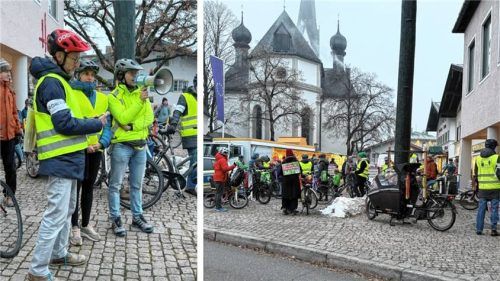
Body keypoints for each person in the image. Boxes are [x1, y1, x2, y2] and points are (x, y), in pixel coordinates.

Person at [27, 29, 105, 281]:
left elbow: (69, 119)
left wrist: (89, 120)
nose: (77, 63)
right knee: (55, 214)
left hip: (71, 157)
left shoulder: (60, 81)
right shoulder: (52, 82)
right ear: (59, 56)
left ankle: (60, 253)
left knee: (67, 208)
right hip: (60, 159)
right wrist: (96, 125)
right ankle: (37, 270)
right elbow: (63, 123)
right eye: (74, 58)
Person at [107, 58, 154, 237]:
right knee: (115, 184)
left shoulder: (141, 93)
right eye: (131, 73)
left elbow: (149, 118)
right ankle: (116, 218)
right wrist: (139, 104)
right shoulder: (113, 97)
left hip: (140, 146)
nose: (135, 76)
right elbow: (123, 117)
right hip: (122, 146)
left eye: (136, 73)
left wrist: (133, 127)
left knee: (136, 185)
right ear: (121, 75)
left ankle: (137, 216)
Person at [69, 60, 112, 246]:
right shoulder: (71, 94)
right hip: (78, 150)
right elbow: (70, 123)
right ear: (78, 75)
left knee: (88, 189)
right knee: (75, 190)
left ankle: (85, 224)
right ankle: (74, 227)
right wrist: (84, 144)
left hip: (95, 150)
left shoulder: (102, 98)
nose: (90, 78)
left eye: (92, 75)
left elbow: (107, 126)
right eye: (86, 74)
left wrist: (102, 143)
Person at [166, 75, 197, 196]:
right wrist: (173, 123)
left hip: (199, 135)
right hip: (191, 135)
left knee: (195, 161)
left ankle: (189, 184)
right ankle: (190, 186)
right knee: (196, 160)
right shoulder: (185, 97)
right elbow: (178, 111)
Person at [0, 58, 22, 207]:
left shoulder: (10, 90)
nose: (9, 74)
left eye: (9, 71)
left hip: (9, 136)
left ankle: (9, 196)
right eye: (5, 71)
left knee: (11, 168)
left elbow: (14, 112)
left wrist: (18, 128)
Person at [473, 139, 499, 236]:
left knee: (481, 209)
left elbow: (475, 173)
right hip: (495, 188)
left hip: (483, 188)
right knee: (494, 209)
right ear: (493, 147)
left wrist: (476, 186)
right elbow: (499, 173)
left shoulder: (478, 159)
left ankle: (479, 229)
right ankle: (493, 230)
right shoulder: (497, 158)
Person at [212, 147, 236, 212]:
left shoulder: (218, 159)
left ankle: (218, 206)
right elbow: (225, 169)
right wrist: (233, 166)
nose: (227, 154)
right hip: (220, 178)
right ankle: (218, 207)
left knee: (218, 193)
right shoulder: (222, 160)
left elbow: (215, 167)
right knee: (219, 193)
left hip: (217, 178)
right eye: (226, 153)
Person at [280, 149, 301, 215]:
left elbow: (280, 172)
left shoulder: (284, 162)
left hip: (286, 181)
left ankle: (285, 208)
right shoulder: (296, 161)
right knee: (294, 195)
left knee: (286, 195)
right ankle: (293, 209)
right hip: (294, 181)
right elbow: (300, 170)